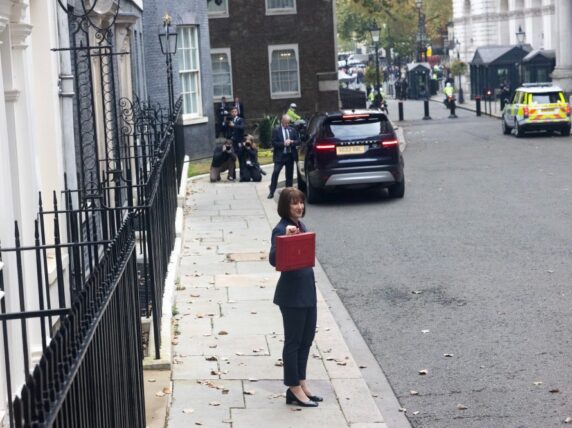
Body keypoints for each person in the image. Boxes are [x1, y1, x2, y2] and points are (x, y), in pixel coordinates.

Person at [268, 187, 321, 408]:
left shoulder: (301, 225)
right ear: (285, 206)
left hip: (307, 292)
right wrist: (285, 239)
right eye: (294, 203)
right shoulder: (280, 229)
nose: (299, 207)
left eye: (301, 202)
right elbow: (273, 259)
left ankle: (301, 382)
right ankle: (293, 387)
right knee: (293, 342)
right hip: (292, 296)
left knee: (306, 340)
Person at [268, 114, 299, 199]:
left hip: (290, 156)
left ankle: (288, 193)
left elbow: (298, 141)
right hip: (280, 156)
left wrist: (291, 141)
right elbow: (274, 143)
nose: (287, 124)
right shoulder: (276, 130)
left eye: (288, 123)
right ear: (282, 121)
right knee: (275, 172)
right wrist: (284, 143)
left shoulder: (292, 130)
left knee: (289, 175)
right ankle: (272, 191)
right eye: (285, 123)